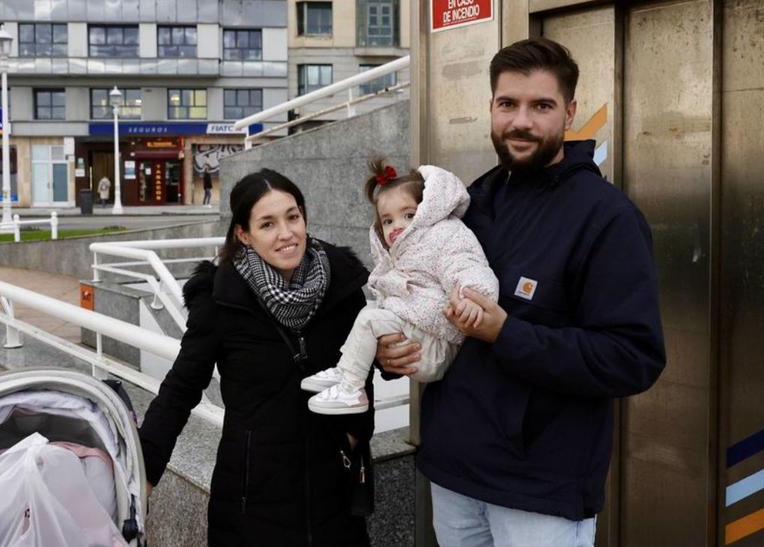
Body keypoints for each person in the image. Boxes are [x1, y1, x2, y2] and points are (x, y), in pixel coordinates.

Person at [377, 38, 666, 545]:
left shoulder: (606, 218)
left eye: (542, 106)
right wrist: (392, 349)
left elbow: (632, 357)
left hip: (541, 491)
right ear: (491, 107)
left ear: (570, 113)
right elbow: (416, 295)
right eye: (508, 104)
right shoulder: (467, 204)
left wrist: (506, 333)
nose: (521, 121)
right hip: (455, 472)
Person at [138, 169, 375, 546]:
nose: (286, 233)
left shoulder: (342, 285)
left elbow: (363, 367)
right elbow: (181, 388)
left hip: (334, 492)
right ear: (243, 235)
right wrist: (143, 471)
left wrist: (354, 434)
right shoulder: (221, 298)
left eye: (293, 217)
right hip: (252, 499)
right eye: (268, 224)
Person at [300, 158, 498, 415]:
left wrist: (472, 298)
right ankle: (347, 370)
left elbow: (466, 265)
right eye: (388, 221)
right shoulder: (399, 252)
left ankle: (351, 387)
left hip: (437, 345)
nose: (397, 226)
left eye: (408, 215)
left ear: (428, 210)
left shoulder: (445, 234)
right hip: (419, 339)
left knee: (370, 319)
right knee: (368, 316)